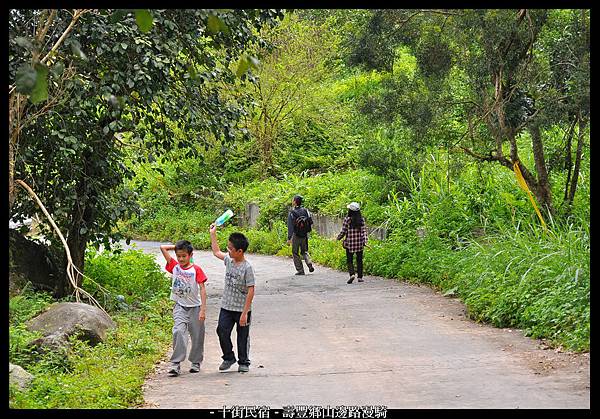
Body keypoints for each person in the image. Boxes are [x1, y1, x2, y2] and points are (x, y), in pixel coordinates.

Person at [209, 224, 255, 373]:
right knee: (221, 331)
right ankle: (228, 357)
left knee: (242, 336)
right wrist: (213, 234)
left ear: (239, 251)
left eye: (230, 248)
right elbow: (216, 252)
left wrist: (244, 313)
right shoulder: (229, 260)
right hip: (226, 306)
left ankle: (244, 362)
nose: (227, 250)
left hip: (242, 309)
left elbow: (251, 290)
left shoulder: (247, 268)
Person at [160, 240, 208, 376]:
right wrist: (176, 247)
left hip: (195, 307)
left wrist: (203, 310)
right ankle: (176, 363)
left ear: (190, 255)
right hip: (180, 306)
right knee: (178, 332)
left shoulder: (196, 269)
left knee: (197, 335)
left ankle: (195, 362)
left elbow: (203, 290)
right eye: (178, 256)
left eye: (184, 256)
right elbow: (162, 248)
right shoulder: (174, 266)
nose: (181, 259)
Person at [336, 202, 368, 284]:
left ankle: (352, 274)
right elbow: (363, 231)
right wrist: (365, 241)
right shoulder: (361, 220)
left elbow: (343, 231)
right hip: (359, 243)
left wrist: (338, 238)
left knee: (349, 260)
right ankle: (360, 277)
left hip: (349, 243)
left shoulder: (347, 220)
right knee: (359, 260)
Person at [286, 194, 315, 275]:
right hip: (304, 235)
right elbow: (310, 221)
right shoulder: (306, 210)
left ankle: (300, 270)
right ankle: (309, 263)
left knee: (295, 252)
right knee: (304, 251)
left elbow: (290, 227)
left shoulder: (292, 212)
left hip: (296, 235)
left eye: (293, 200)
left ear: (295, 202)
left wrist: (289, 238)